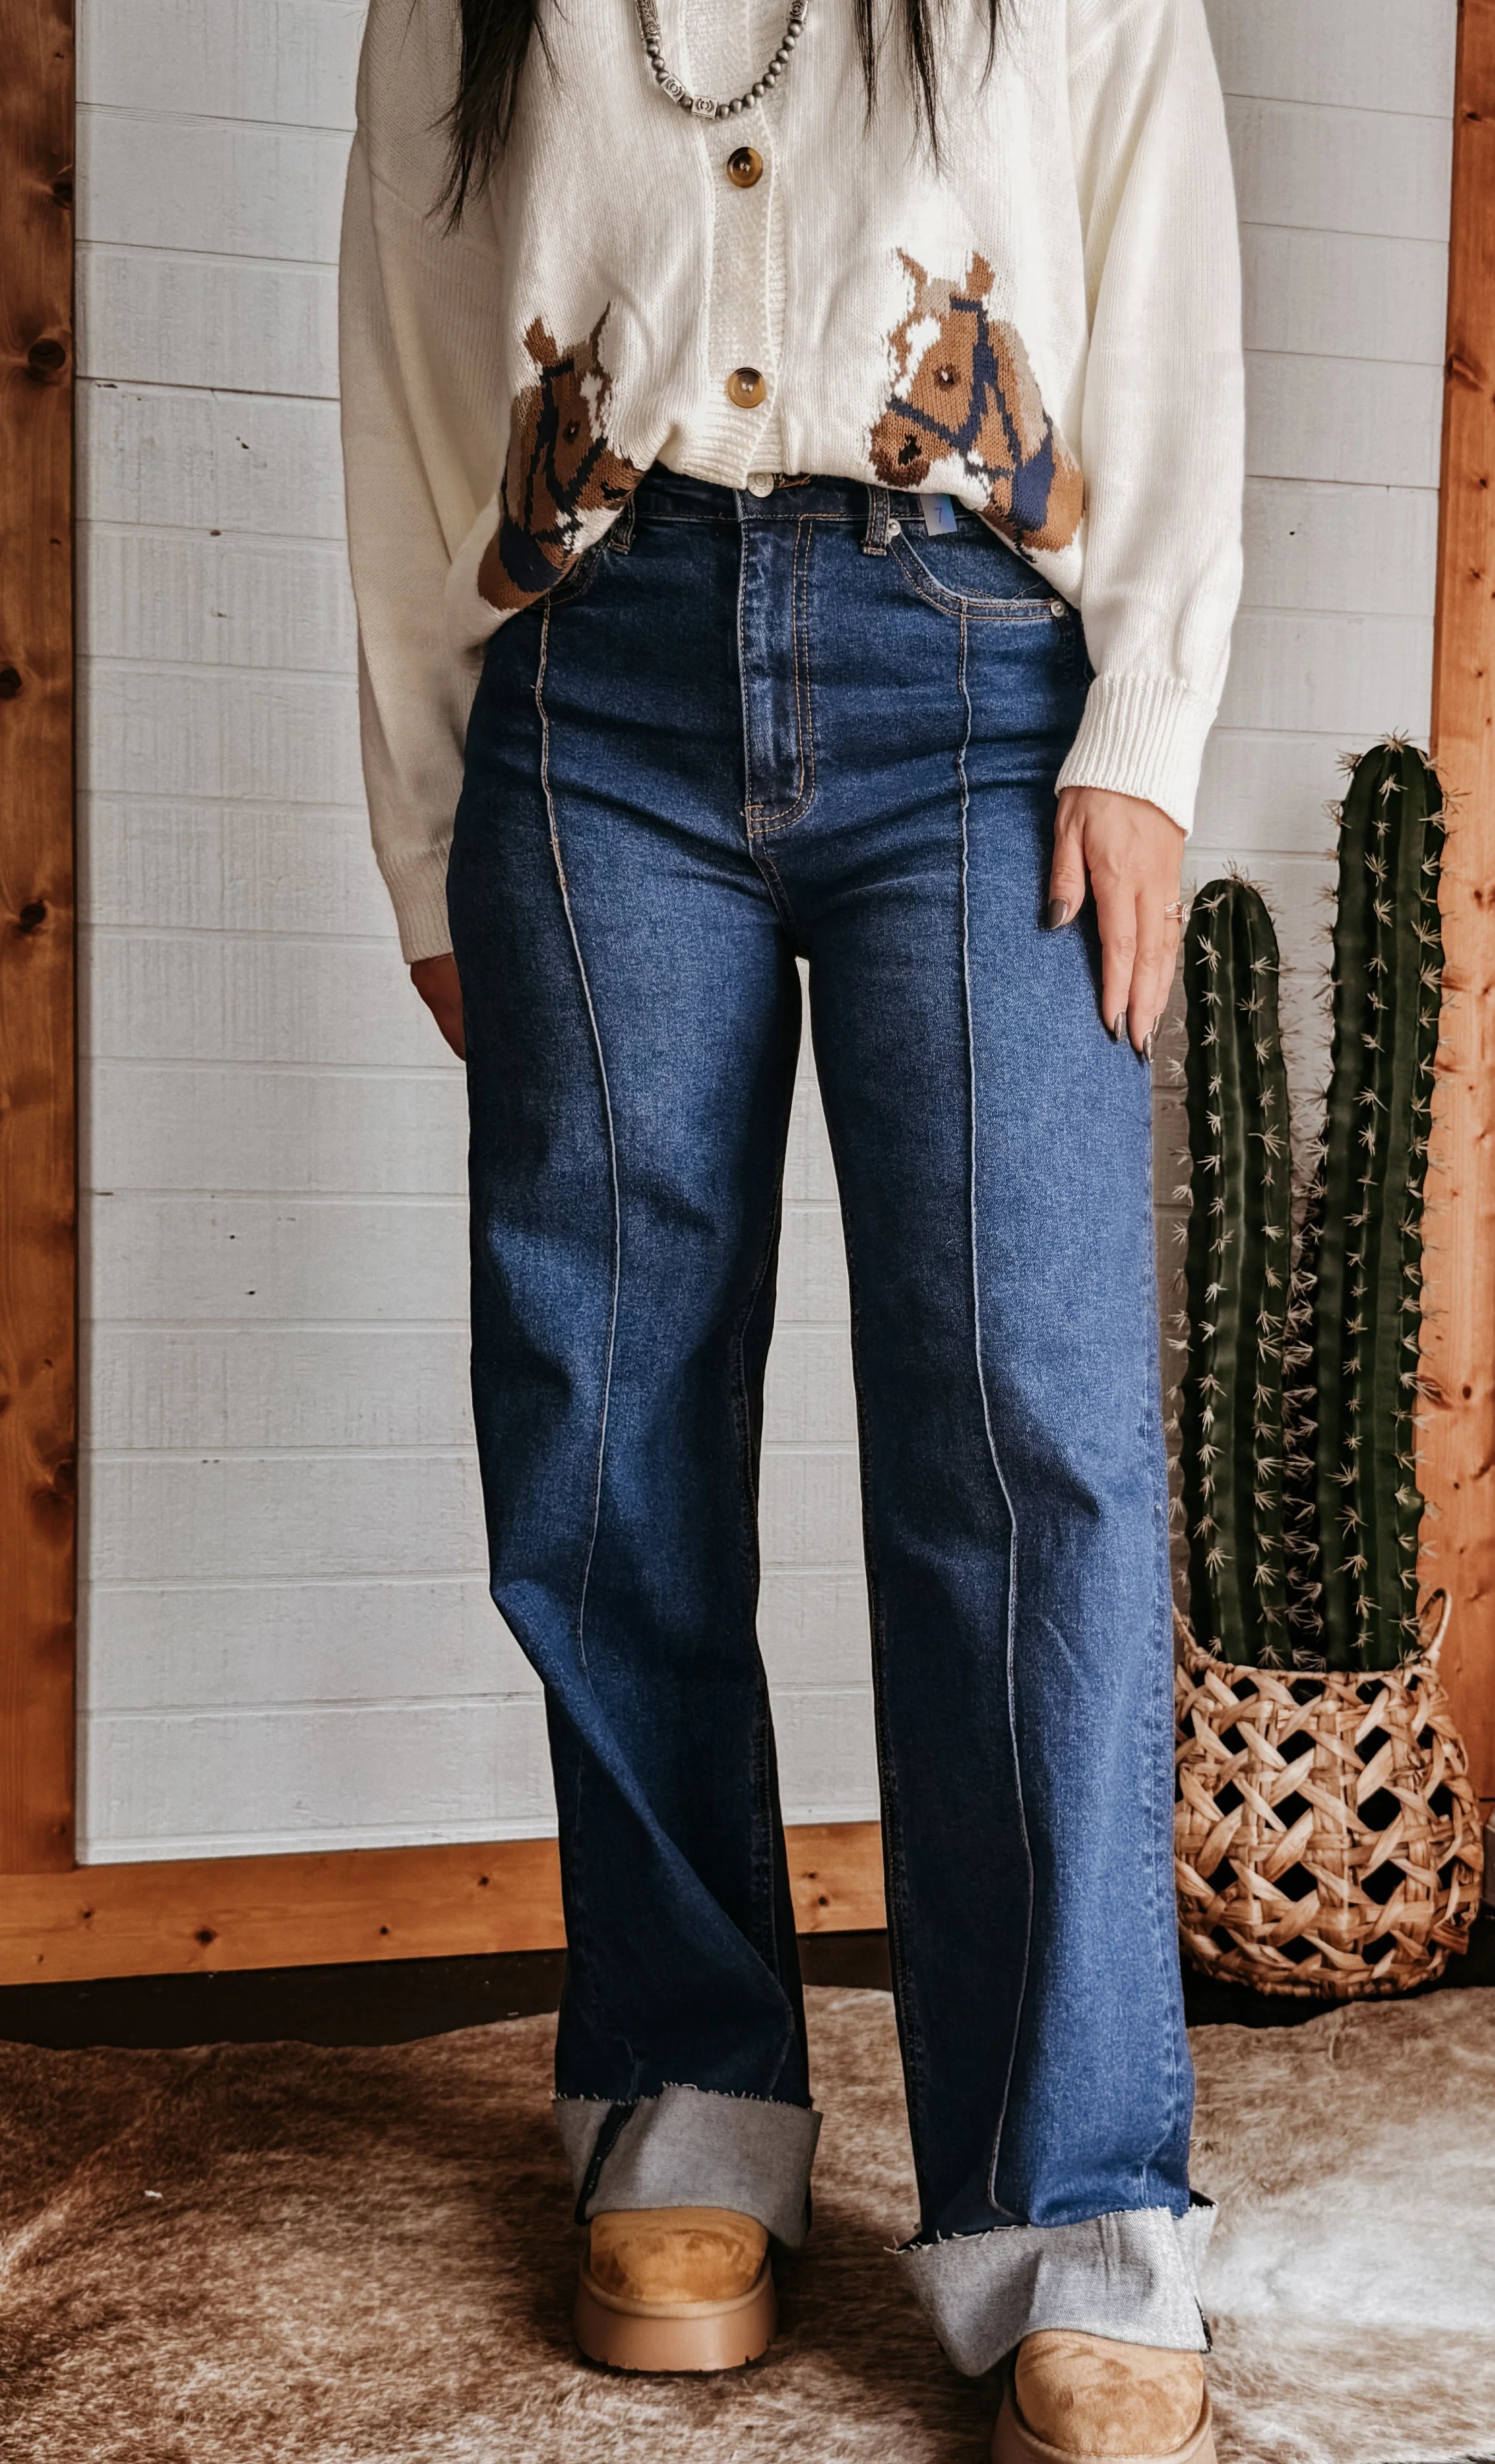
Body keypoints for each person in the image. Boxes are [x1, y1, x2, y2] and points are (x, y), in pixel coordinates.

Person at [337, 0, 1242, 2452]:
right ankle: (689, 2092)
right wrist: (428, 811)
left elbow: (1162, 269)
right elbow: (411, 372)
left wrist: (1148, 729)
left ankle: (1074, 2201)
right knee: (603, 1409)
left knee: (1030, 1422)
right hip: (591, 698)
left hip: (983, 673)